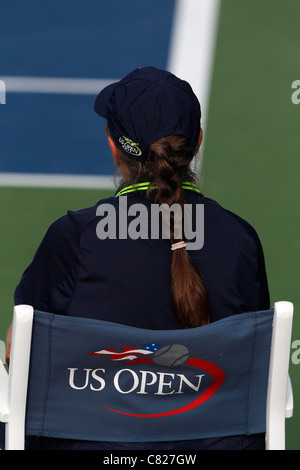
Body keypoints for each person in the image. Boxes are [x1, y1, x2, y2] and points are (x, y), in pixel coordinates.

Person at [4, 66, 269, 450]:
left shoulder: (74, 239)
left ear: (114, 147)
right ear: (196, 141)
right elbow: (254, 359)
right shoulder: (240, 239)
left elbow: (19, 352)